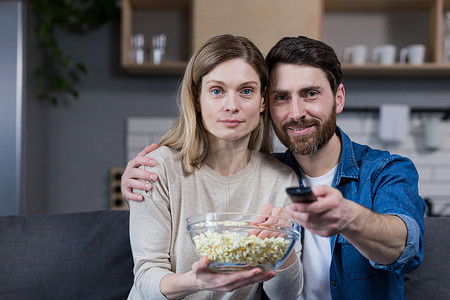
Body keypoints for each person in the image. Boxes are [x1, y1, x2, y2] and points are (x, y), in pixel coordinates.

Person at [122, 36, 426, 299]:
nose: (296, 113)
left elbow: (403, 246)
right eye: (282, 97)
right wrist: (138, 181)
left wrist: (348, 217)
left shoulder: (383, 170)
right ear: (269, 103)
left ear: (338, 98)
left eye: (310, 94)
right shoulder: (275, 172)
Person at [126, 34, 302, 300]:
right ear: (197, 99)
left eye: (246, 91)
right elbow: (147, 278)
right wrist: (193, 281)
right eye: (217, 91)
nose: (231, 106)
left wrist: (282, 250)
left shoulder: (280, 180)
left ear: (263, 101)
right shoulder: (156, 169)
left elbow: (285, 296)